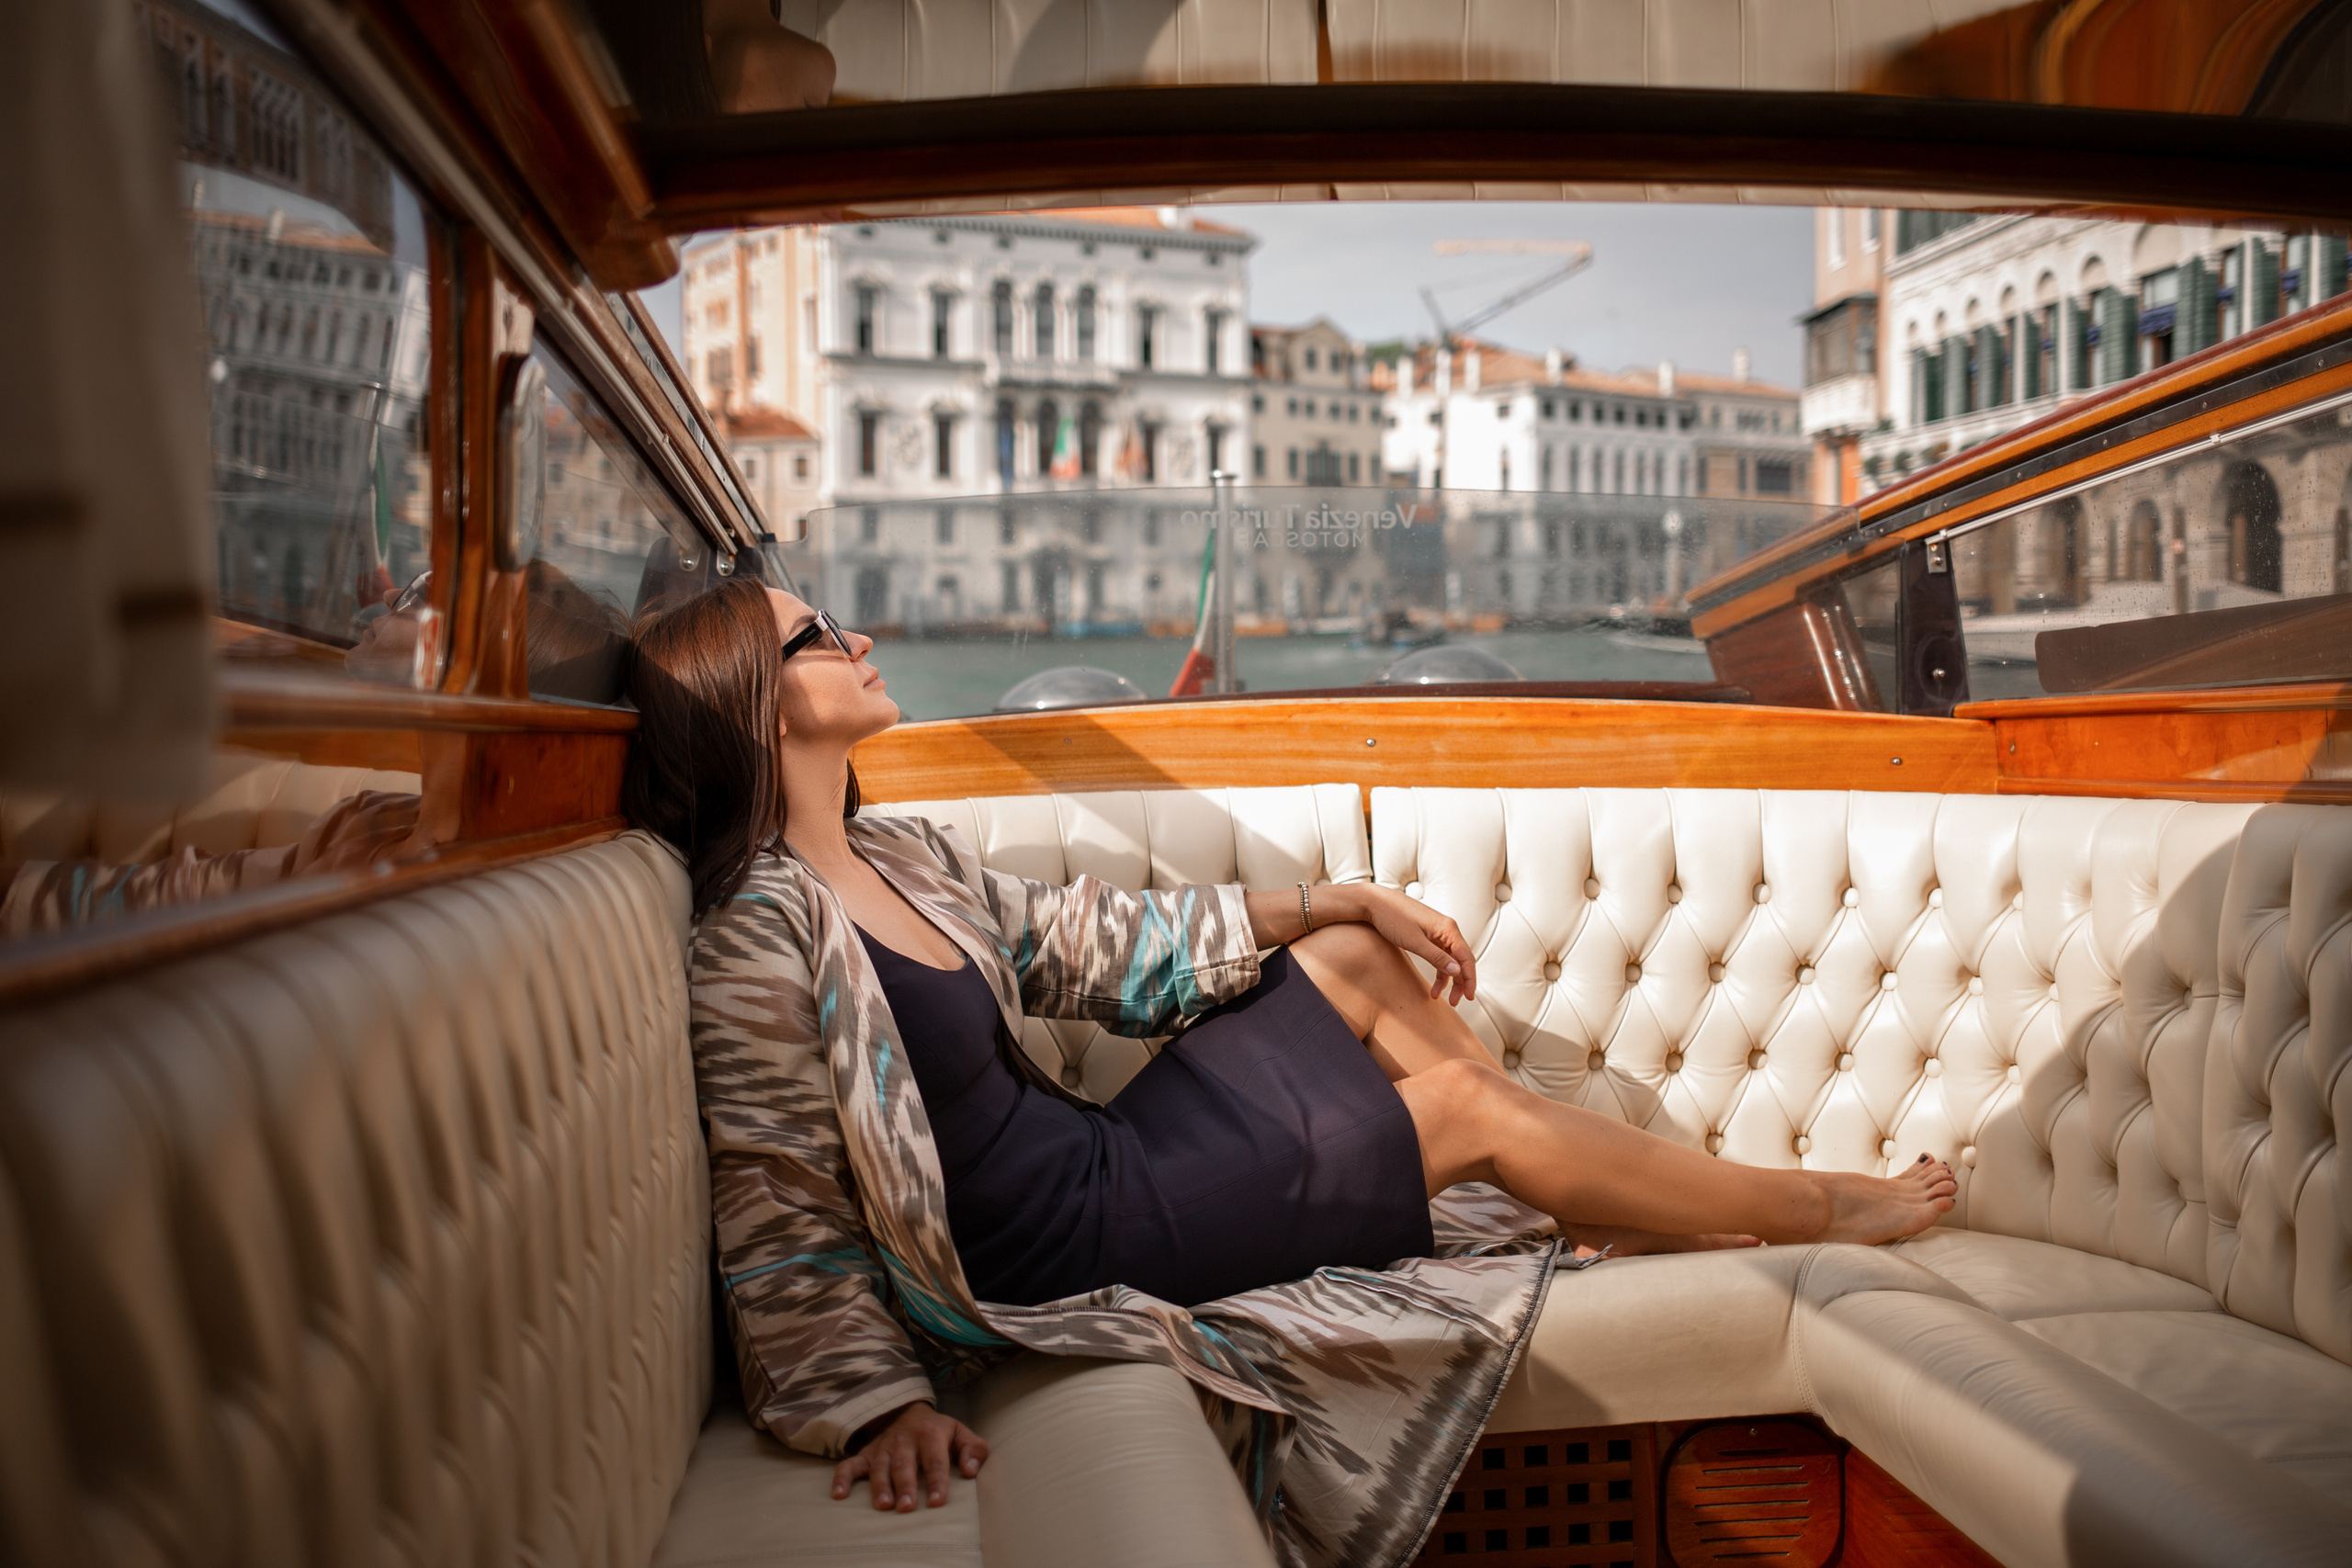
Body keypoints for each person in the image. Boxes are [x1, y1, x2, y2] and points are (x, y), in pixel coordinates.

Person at [624, 577, 1956, 1549]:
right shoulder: (757, 933)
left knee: (1365, 966)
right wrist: (869, 1406)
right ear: (756, 705)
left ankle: (1577, 1202)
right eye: (816, 635)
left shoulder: (895, 853)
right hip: (1063, 1246)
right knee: (1465, 1105)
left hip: (1107, 1162)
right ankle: (1808, 1211)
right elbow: (775, 1192)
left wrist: (1329, 903)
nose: (857, 638)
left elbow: (1092, 940)